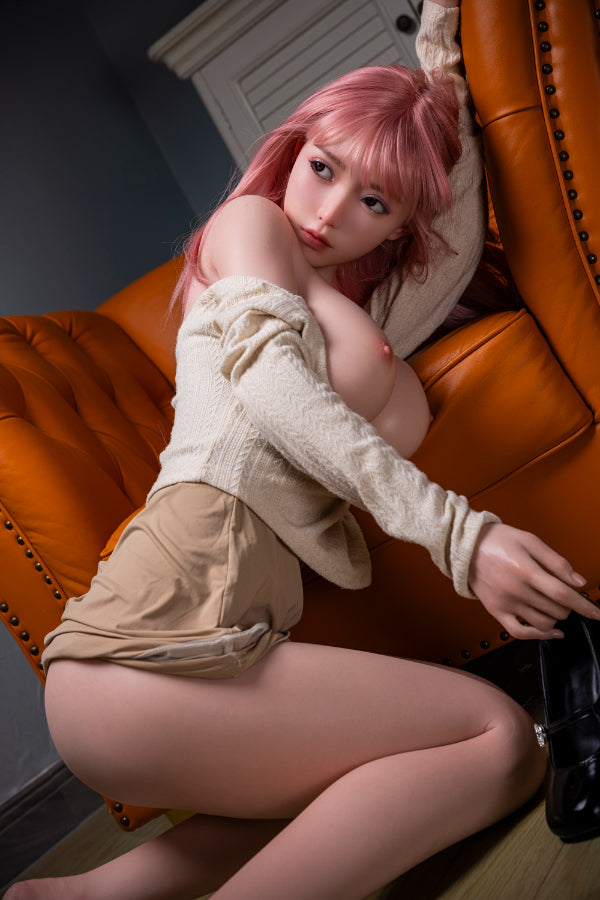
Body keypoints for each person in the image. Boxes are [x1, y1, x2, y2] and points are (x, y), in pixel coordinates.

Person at [8, 2, 600, 898]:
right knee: (500, 740)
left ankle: (86, 894)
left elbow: (446, 246)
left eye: (374, 201)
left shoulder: (355, 313)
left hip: (216, 649)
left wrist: (444, 81)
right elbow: (275, 390)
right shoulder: (251, 227)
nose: (328, 210)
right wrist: (463, 537)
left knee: (383, 768)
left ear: (401, 228)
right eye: (322, 167)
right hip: (143, 642)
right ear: (294, 151)